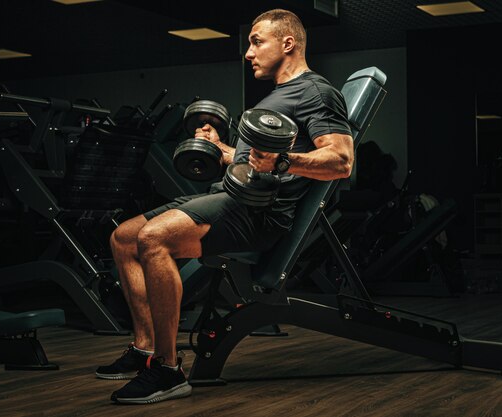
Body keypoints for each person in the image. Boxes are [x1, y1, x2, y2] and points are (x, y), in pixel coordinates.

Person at [96, 8, 354, 404]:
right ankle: (145, 349)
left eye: (256, 42)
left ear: (288, 44)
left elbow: (340, 161)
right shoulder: (278, 95)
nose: (247, 53)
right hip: (231, 198)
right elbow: (255, 162)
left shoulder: (315, 92)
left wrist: (283, 161)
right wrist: (223, 149)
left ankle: (167, 370)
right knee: (123, 238)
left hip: (258, 214)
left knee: (153, 239)